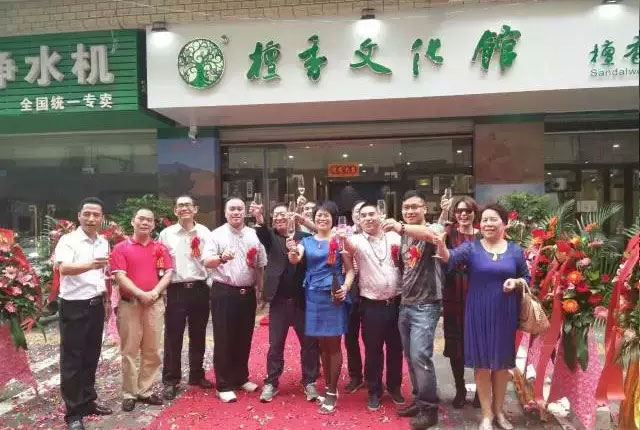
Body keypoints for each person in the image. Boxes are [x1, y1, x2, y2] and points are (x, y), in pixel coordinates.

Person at [435, 203, 530, 430]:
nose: (487, 224)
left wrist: (516, 282)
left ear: (504, 223)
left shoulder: (515, 250)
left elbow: (527, 277)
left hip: (505, 312)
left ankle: (499, 412)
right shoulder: (471, 248)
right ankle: (486, 414)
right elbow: (449, 259)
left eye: (493, 219)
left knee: (501, 365)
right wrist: (440, 243)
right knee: (481, 365)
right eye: (484, 220)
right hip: (477, 311)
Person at [287, 201, 355, 414]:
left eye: (326, 215)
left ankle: (332, 391)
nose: (322, 218)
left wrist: (345, 287)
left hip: (334, 295)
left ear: (333, 219)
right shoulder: (306, 241)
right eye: (318, 215)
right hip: (313, 296)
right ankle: (327, 386)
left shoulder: (339, 240)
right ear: (314, 219)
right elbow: (295, 258)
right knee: (322, 346)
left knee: (333, 345)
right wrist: (292, 252)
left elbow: (350, 270)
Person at [382, 190, 442, 430]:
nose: (410, 211)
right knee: (410, 356)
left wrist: (400, 227)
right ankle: (419, 401)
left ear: (425, 209)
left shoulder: (434, 228)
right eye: (406, 208)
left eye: (415, 207)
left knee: (420, 357)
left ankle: (430, 409)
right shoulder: (405, 237)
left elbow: (432, 236)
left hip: (426, 305)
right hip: (406, 304)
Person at [250, 201, 320, 403]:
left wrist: (303, 221)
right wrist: (259, 218)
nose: (280, 217)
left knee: (309, 344)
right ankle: (271, 382)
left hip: (302, 299)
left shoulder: (305, 238)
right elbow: (262, 232)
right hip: (279, 301)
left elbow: (323, 233)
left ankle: (310, 381)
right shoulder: (270, 237)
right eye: (276, 215)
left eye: (284, 214)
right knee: (275, 344)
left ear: (292, 216)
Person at [55, 197, 113, 430]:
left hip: (95, 304)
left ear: (102, 218)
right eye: (87, 214)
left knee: (91, 355)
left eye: (96, 215)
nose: (91, 218)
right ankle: (73, 413)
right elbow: (64, 268)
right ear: (79, 216)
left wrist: (106, 301)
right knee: (72, 360)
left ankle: (88, 401)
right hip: (73, 306)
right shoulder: (68, 240)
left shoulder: (103, 242)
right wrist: (91, 264)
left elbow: (101, 275)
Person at [203, 198, 267, 403]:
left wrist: (260, 290)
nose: (236, 212)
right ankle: (223, 384)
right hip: (224, 291)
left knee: (244, 336)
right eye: (232, 209)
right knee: (224, 338)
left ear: (245, 212)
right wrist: (222, 257)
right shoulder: (216, 235)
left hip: (247, 293)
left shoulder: (253, 235)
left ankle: (241, 377)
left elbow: (260, 265)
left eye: (240, 209)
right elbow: (207, 261)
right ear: (225, 212)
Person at [342, 201, 404, 411]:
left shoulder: (395, 237)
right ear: (358, 220)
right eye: (363, 216)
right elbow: (346, 257)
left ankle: (394, 387)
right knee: (373, 350)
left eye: (372, 214)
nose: (368, 218)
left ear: (380, 215)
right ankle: (374, 390)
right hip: (371, 305)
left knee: (396, 348)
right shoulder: (355, 241)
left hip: (396, 302)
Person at [112, 209, 174, 412]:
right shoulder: (120, 248)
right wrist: (140, 294)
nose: (145, 222)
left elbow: (168, 273)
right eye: (141, 219)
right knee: (129, 350)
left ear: (153, 225)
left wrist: (154, 293)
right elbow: (120, 276)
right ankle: (129, 393)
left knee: (152, 349)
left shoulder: (160, 248)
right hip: (130, 304)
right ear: (133, 222)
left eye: (149, 220)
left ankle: (145, 390)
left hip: (154, 304)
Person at [159, 195, 214, 401]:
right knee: (173, 336)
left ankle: (197, 374)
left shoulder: (205, 232)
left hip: (200, 288)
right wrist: (162, 290)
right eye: (180, 205)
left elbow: (211, 261)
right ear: (175, 211)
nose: (184, 208)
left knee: (198, 334)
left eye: (188, 205)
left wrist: (210, 284)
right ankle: (171, 380)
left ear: (195, 209)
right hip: (176, 290)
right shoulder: (166, 234)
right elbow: (160, 263)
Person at [440, 195, 482, 409]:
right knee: (455, 344)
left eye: (468, 211)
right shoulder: (449, 233)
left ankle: (481, 391)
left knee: (479, 343)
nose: (463, 214)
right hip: (453, 293)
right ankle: (460, 388)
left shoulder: (483, 235)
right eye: (459, 211)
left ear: (475, 213)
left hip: (477, 294)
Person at [344, 200, 365, 393]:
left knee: (372, 336)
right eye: (357, 211)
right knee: (350, 335)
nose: (361, 215)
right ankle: (355, 375)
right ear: (352, 215)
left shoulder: (376, 234)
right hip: (350, 286)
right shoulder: (344, 234)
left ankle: (373, 375)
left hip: (370, 287)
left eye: (365, 211)